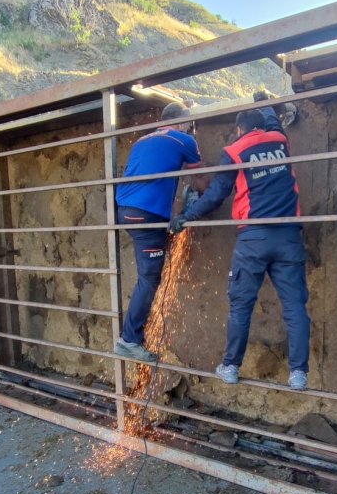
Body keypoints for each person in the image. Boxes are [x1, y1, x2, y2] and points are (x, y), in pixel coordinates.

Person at [170, 97, 310, 390]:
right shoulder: (280, 140)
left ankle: (231, 366)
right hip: (288, 236)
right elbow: (271, 122)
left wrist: (186, 216)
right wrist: (268, 104)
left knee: (241, 305)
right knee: (295, 306)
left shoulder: (235, 150)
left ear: (239, 129)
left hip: (254, 239)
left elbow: (217, 194)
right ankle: (299, 373)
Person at [113, 101, 202, 363]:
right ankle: (129, 340)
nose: (189, 125)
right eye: (188, 120)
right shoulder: (184, 139)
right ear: (182, 120)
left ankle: (131, 337)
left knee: (147, 274)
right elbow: (202, 179)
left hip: (127, 211)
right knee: (150, 278)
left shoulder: (143, 139)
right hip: (146, 215)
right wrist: (199, 202)